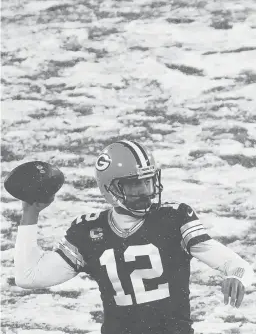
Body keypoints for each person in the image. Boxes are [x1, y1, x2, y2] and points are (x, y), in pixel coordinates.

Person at [15, 139, 254, 334]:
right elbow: (29, 276)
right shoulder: (89, 232)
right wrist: (30, 213)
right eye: (134, 185)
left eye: (148, 182)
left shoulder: (174, 218)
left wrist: (236, 276)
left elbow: (238, 265)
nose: (145, 192)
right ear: (110, 189)